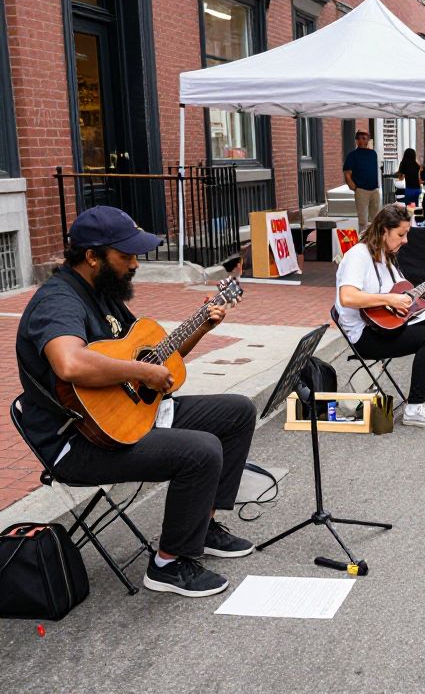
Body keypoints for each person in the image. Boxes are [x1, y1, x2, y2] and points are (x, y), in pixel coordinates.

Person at [16, 206, 256, 598]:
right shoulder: (58, 301)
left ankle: (202, 525)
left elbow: (153, 357)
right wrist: (141, 374)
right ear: (92, 256)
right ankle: (168, 564)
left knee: (237, 411)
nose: (134, 264)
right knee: (201, 450)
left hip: (124, 416)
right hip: (78, 440)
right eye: (125, 256)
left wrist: (201, 328)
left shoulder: (103, 294)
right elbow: (70, 363)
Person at [335, 204, 425, 428]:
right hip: (365, 334)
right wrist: (389, 300)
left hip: (385, 324)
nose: (405, 240)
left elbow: (404, 296)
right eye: (401, 234)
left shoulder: (386, 256)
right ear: (384, 231)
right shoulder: (358, 256)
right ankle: (414, 408)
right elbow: (347, 297)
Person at [344, 129, 380, 233]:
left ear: (368, 139)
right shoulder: (352, 155)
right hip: (361, 190)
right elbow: (347, 173)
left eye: (363, 138)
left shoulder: (373, 154)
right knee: (363, 220)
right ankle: (362, 239)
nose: (360, 140)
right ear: (356, 140)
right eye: (358, 138)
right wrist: (353, 187)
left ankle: (375, 238)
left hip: (374, 189)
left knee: (376, 218)